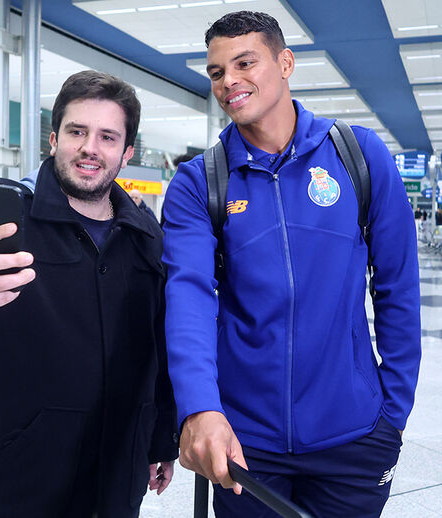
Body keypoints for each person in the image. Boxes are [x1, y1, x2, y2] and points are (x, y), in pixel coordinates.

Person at [162, 11, 420, 517]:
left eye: (245, 62)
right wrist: (201, 408)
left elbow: (397, 288)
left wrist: (394, 411)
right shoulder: (199, 183)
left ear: (285, 63)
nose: (229, 80)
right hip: (246, 442)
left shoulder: (358, 156)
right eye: (216, 72)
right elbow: (188, 296)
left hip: (355, 434)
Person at [0, 70, 178, 518]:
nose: (90, 147)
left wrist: (160, 435)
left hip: (113, 476)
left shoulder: (144, 234)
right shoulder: (7, 217)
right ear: (54, 140)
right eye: (77, 131)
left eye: (108, 137)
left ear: (126, 153)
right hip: (10, 475)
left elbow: (157, 344)